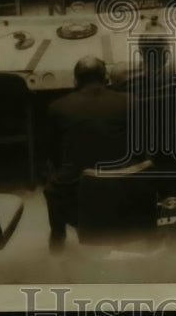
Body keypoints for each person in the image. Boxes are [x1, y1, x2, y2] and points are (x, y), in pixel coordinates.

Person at [43, 57, 130, 251]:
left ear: (75, 80)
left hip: (76, 190)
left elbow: (53, 154)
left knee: (51, 182)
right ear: (106, 78)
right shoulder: (129, 101)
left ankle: (58, 237)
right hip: (123, 185)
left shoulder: (57, 107)